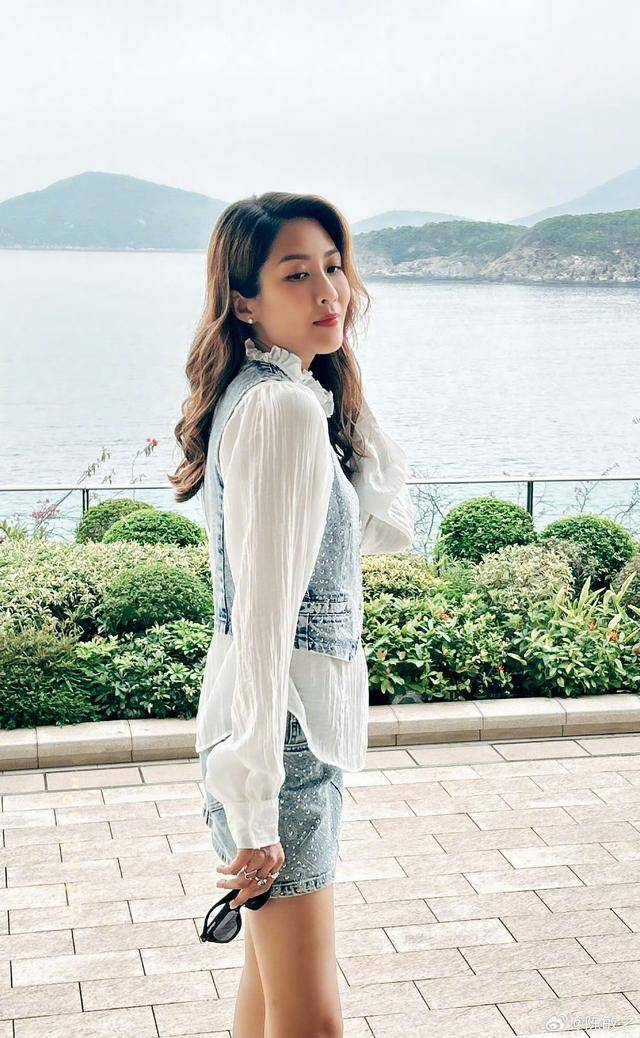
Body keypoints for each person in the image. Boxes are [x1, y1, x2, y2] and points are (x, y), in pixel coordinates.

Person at [170, 192, 414, 1038]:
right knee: (312, 1023)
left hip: (282, 737)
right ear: (244, 300)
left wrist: (341, 390)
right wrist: (257, 808)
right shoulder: (279, 411)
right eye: (296, 275)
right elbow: (263, 622)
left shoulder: (284, 396)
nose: (329, 292)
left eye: (335, 268)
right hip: (283, 743)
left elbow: (380, 530)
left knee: (269, 1000)